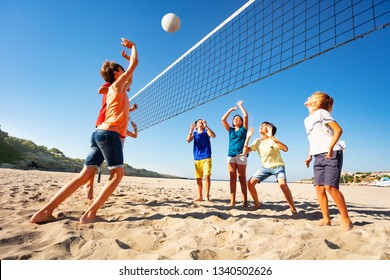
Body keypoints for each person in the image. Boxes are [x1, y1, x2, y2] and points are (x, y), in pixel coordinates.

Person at [30, 37, 138, 224]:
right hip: (109, 134)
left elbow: (131, 74)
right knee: (117, 175)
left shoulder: (118, 88)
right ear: (115, 75)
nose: (124, 72)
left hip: (98, 134)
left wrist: (128, 61)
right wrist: (134, 47)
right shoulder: (117, 85)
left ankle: (44, 211)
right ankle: (90, 214)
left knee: (84, 174)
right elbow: (135, 65)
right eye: (120, 70)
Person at [304, 91, 353, 231]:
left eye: (312, 96)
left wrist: (330, 147)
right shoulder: (307, 120)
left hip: (332, 152)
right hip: (317, 155)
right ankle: (326, 219)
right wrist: (309, 155)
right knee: (319, 188)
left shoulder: (321, 113)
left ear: (317, 102)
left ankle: (346, 220)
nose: (309, 97)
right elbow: (313, 140)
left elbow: (338, 130)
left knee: (330, 187)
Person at [243, 122, 298, 217]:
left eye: (265, 126)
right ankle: (257, 204)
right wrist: (247, 137)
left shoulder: (273, 140)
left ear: (269, 130)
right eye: (261, 124)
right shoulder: (257, 141)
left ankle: (293, 208)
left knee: (282, 184)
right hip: (265, 168)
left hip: (278, 166)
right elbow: (245, 152)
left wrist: (271, 136)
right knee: (250, 183)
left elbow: (285, 149)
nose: (261, 126)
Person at [221, 100, 248, 207]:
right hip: (231, 155)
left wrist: (240, 106)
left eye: (238, 119)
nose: (236, 119)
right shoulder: (230, 130)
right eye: (234, 119)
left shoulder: (244, 130)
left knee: (242, 178)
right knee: (232, 177)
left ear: (241, 122)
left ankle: (245, 201)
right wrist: (231, 110)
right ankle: (232, 201)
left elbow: (245, 116)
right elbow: (222, 119)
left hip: (241, 155)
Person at [186, 119, 216, 202]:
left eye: (202, 122)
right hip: (197, 158)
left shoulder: (206, 131)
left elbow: (213, 136)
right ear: (196, 126)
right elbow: (188, 140)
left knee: (207, 176)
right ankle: (200, 196)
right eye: (200, 121)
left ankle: (207, 196)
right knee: (198, 178)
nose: (201, 122)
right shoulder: (194, 134)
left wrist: (206, 126)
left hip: (206, 157)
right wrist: (191, 130)